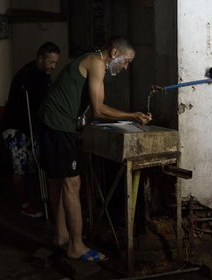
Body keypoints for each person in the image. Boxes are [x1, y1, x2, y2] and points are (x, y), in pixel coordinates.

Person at [37, 36, 151, 262]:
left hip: (50, 121)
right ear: (115, 52)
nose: (126, 68)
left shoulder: (89, 60)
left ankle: (61, 235)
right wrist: (133, 115)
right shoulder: (97, 63)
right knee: (72, 182)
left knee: (58, 180)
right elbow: (98, 109)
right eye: (127, 61)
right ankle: (76, 246)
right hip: (58, 125)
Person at [2, 42, 61, 218]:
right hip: (16, 129)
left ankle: (37, 201)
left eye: (55, 62)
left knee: (34, 166)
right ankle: (24, 204)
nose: (53, 66)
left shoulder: (45, 74)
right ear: (40, 58)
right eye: (51, 62)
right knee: (20, 168)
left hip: (31, 128)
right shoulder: (25, 77)